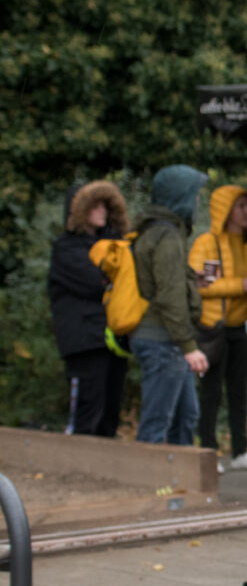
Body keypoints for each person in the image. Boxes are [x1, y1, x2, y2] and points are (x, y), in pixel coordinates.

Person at [190, 186, 247, 471]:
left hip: (244, 327)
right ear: (224, 210)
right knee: (211, 391)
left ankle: (241, 451)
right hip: (215, 328)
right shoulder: (206, 242)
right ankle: (208, 452)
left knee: (239, 391)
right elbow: (198, 286)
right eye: (240, 206)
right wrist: (240, 285)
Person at [127, 166, 210, 446]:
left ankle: (181, 485)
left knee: (186, 416)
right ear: (181, 196)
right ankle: (150, 487)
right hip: (163, 340)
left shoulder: (154, 230)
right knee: (157, 423)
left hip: (164, 339)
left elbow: (163, 281)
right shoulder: (167, 235)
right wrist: (189, 346)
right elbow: (169, 296)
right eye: (195, 196)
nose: (197, 202)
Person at [48, 181, 130, 438]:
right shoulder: (66, 248)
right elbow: (99, 283)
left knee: (109, 413)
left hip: (112, 339)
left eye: (105, 205)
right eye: (95, 205)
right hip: (84, 343)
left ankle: (104, 474)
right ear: (80, 210)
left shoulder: (113, 244)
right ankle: (75, 472)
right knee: (86, 414)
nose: (101, 211)